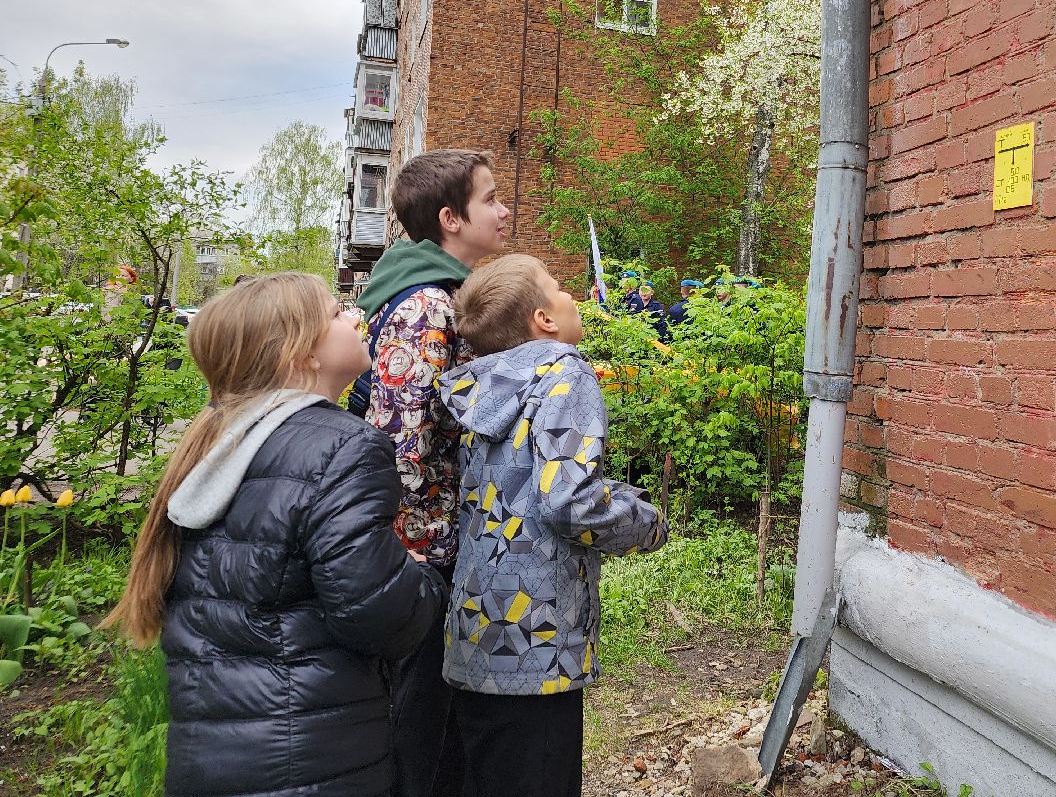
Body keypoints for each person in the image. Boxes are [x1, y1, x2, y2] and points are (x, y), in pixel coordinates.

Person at [103, 273, 446, 797]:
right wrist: (424, 580)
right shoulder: (344, 446)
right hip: (311, 755)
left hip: (217, 755)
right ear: (302, 353)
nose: (356, 318)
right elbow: (376, 616)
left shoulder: (221, 441)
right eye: (336, 312)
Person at [438, 254, 669, 797]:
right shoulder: (565, 372)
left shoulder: (483, 388)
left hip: (476, 633)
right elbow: (569, 503)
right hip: (538, 640)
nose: (571, 294)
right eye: (559, 287)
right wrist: (642, 520)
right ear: (543, 319)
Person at [354, 147, 509, 797]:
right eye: (490, 198)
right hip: (421, 561)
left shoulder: (442, 296)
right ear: (450, 218)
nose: (504, 210)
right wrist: (426, 561)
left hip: (430, 554)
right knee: (415, 739)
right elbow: (400, 444)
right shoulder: (427, 307)